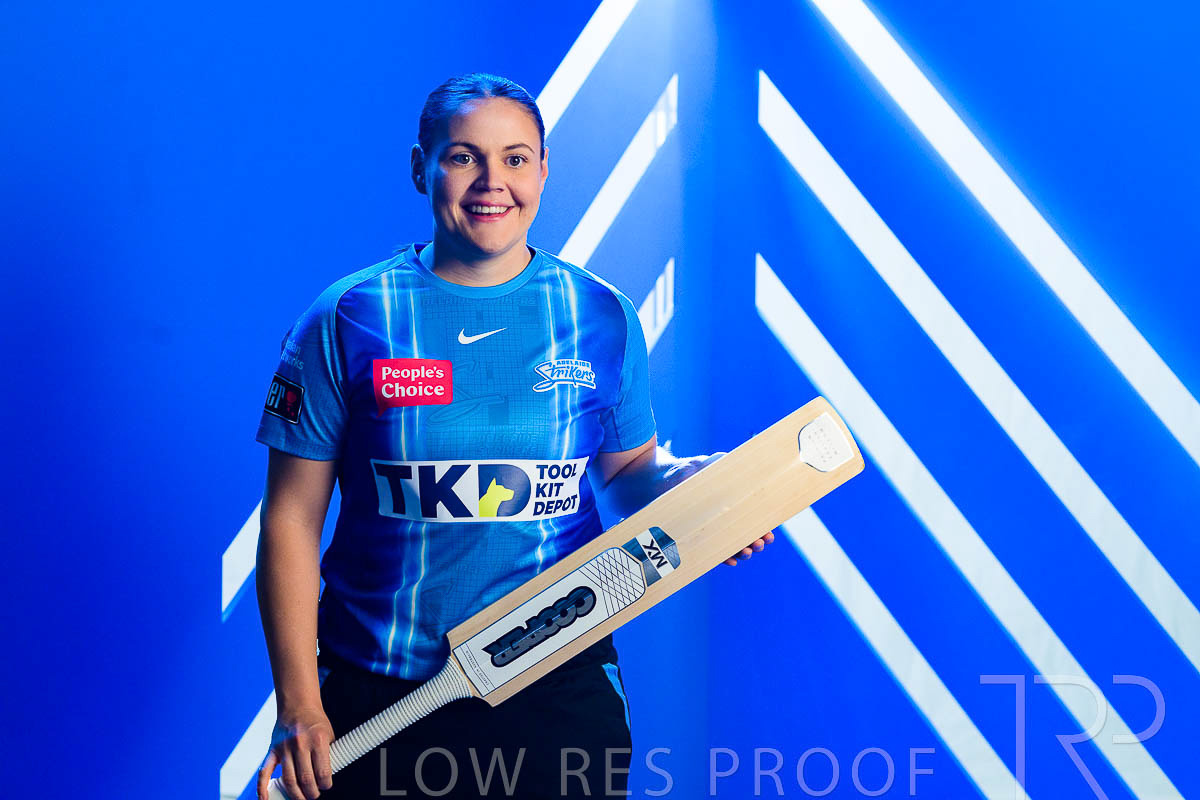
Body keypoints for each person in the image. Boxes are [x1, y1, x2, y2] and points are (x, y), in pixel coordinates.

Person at [254, 72, 773, 800]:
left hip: (557, 681)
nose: (492, 182)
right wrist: (299, 702)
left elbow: (627, 477)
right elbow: (290, 519)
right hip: (379, 691)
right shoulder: (348, 317)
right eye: (464, 156)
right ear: (421, 168)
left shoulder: (600, 314)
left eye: (516, 158)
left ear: (543, 170)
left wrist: (686, 487)